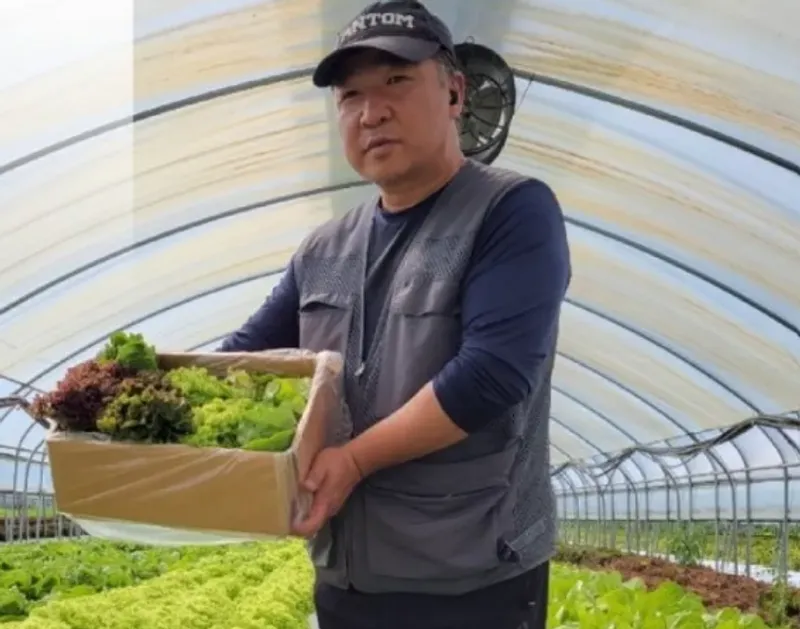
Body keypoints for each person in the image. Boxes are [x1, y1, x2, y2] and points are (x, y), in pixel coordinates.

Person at [219, 1, 571, 627]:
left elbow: (491, 375)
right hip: (347, 579)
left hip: (472, 582)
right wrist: (116, 399)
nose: (371, 112)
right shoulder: (325, 248)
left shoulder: (510, 212)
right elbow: (244, 358)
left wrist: (354, 459)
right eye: (350, 96)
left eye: (396, 81)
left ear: (455, 92)